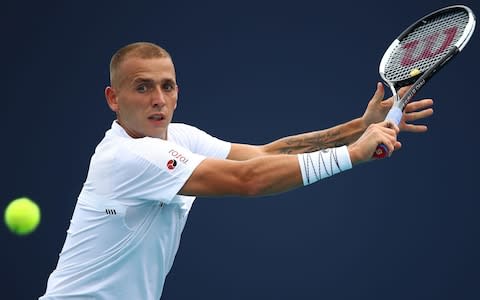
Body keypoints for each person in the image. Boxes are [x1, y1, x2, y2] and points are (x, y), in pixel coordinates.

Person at [40, 42, 433, 299]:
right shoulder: (128, 157)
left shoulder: (177, 137)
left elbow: (262, 155)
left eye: (168, 86)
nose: (159, 100)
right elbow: (250, 180)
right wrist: (351, 154)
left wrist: (358, 127)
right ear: (113, 98)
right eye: (142, 87)